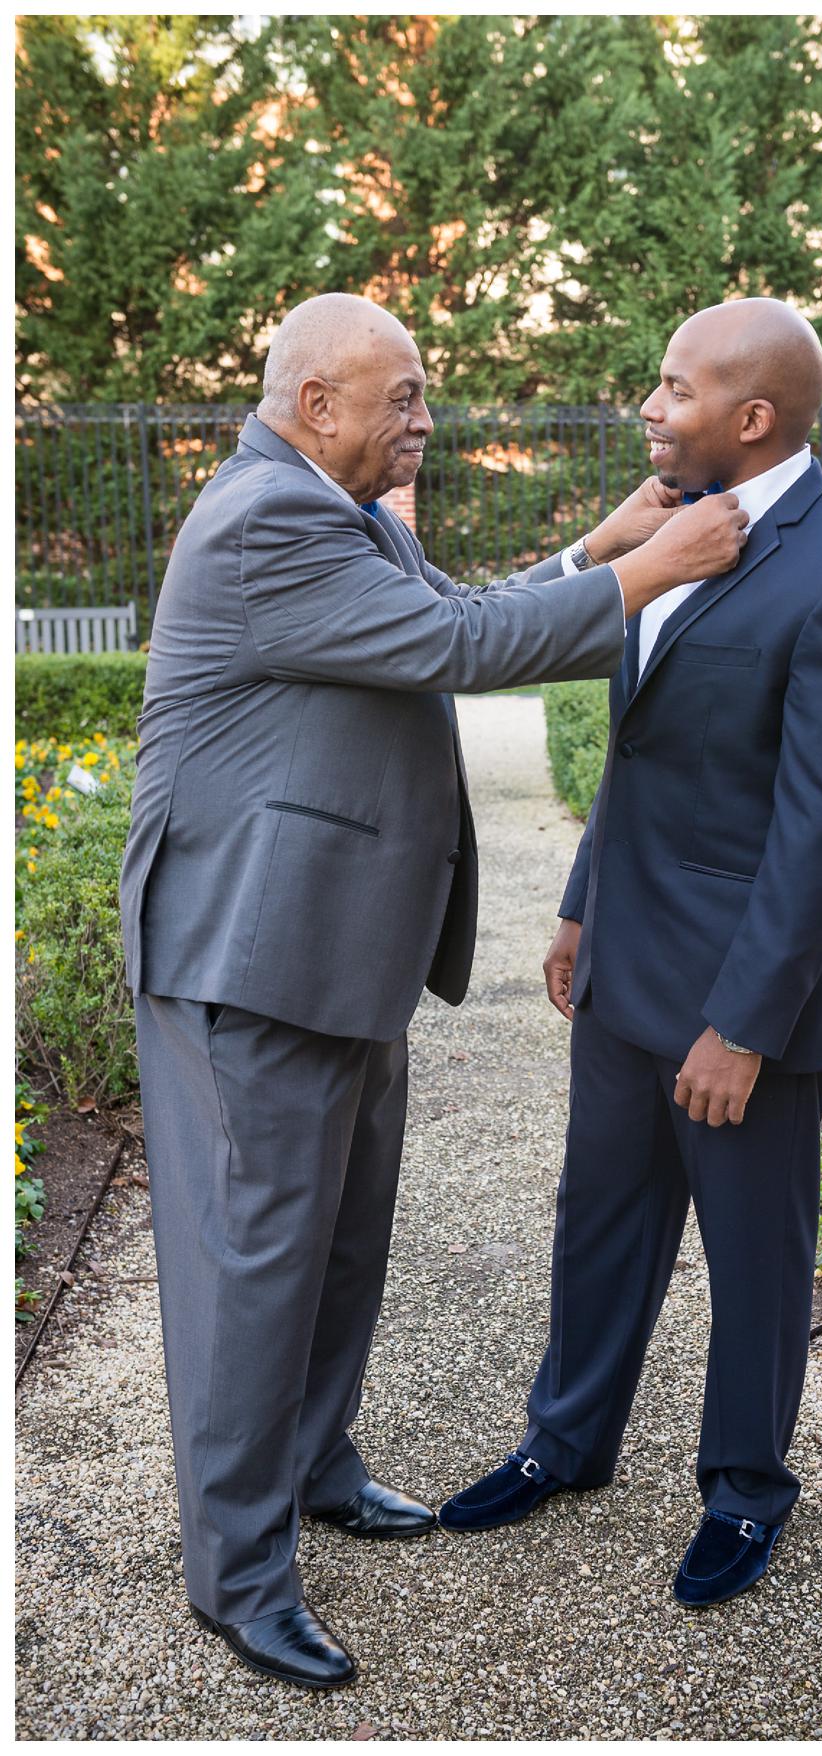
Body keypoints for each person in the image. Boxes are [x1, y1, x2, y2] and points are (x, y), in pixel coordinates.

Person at [120, 292, 750, 1690]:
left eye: (422, 392)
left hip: (341, 948)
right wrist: (660, 571)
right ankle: (237, 1575)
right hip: (250, 958)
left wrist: (602, 543)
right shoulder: (264, 522)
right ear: (313, 402)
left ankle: (317, 1461)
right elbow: (465, 656)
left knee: (340, 1244)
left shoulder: (351, 513)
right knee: (252, 1271)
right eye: (400, 395)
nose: (425, 416)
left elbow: (448, 613)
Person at [436, 300, 822, 1611]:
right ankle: (565, 1443)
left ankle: (748, 1490)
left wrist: (746, 1024)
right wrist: (583, 903)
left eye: (671, 388)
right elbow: (636, 751)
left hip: (744, 997)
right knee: (599, 1219)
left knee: (756, 1250)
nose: (647, 408)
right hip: (627, 959)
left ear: (749, 416)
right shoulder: (666, 526)